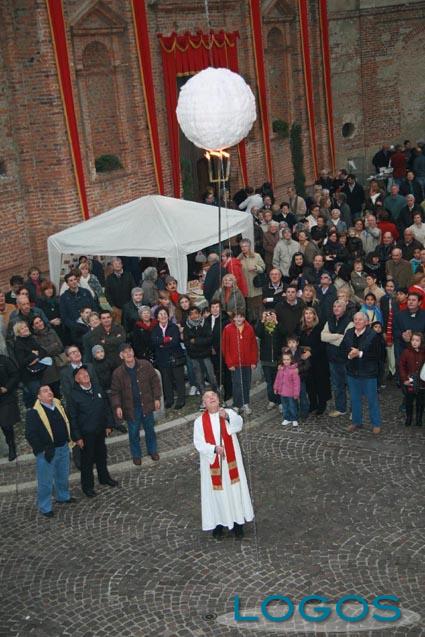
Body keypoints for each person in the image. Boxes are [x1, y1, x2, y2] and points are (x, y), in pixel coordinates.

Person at [193, 390, 254, 539]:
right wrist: (214, 449)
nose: (211, 398)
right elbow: (198, 443)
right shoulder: (199, 422)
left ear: (219, 399)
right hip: (212, 463)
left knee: (234, 489)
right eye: (207, 397)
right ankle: (219, 523)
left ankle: (238, 523)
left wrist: (226, 417)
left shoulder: (227, 413)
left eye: (213, 395)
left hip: (231, 462)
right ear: (204, 404)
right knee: (216, 493)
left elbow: (239, 424)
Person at [25, 385, 75, 517]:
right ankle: (45, 507)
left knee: (63, 475)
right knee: (45, 481)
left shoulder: (59, 406)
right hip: (47, 452)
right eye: (45, 391)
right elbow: (30, 434)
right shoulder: (33, 413)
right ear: (39, 397)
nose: (49, 392)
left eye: (50, 390)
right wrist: (41, 450)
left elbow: (67, 423)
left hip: (63, 447)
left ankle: (63, 496)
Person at [69, 366, 118, 497]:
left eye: (85, 372)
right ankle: (87, 487)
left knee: (102, 456)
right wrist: (77, 437)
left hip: (100, 430)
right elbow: (72, 418)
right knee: (87, 461)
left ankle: (104, 478)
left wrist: (109, 424)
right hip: (86, 434)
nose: (85, 375)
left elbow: (106, 407)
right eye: (81, 374)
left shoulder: (97, 387)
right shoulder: (74, 395)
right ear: (76, 379)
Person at [110, 344, 161, 465]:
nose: (128, 354)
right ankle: (136, 455)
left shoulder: (145, 365)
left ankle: (153, 451)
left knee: (150, 430)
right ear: (121, 356)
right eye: (125, 352)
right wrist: (117, 406)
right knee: (133, 433)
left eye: (130, 351)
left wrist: (157, 398)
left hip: (146, 404)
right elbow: (115, 392)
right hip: (131, 408)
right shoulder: (118, 373)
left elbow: (155, 381)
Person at [341, 312, 382, 434]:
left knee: (372, 400)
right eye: (355, 319)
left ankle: (376, 424)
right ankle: (356, 422)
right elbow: (342, 349)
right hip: (352, 372)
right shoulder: (349, 333)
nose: (358, 321)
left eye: (360, 319)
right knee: (354, 399)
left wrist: (359, 354)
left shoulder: (373, 335)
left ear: (366, 322)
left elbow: (378, 355)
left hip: (368, 373)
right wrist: (349, 355)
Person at [321, 299, 354, 417]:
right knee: (337, 386)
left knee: (351, 386)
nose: (336, 308)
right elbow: (322, 336)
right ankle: (341, 408)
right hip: (332, 359)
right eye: (334, 306)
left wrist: (331, 338)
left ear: (344, 308)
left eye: (339, 306)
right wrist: (336, 336)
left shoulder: (350, 322)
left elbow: (345, 341)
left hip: (345, 360)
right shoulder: (329, 320)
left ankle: (354, 411)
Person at [222, 311, 258, 415]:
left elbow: (253, 346)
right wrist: (229, 363)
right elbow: (225, 348)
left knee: (246, 383)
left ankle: (245, 403)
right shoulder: (228, 329)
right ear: (233, 318)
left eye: (241, 317)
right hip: (235, 363)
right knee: (237, 384)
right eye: (236, 317)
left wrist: (253, 361)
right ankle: (237, 404)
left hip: (247, 362)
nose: (239, 319)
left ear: (244, 318)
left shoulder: (249, 328)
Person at [151, 307, 186, 410]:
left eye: (165, 314)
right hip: (162, 359)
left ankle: (181, 399)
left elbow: (175, 342)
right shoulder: (155, 329)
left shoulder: (173, 327)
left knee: (179, 379)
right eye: (160, 314)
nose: (163, 316)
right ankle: (169, 400)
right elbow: (154, 342)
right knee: (166, 380)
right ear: (157, 317)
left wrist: (162, 343)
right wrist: (166, 340)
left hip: (175, 357)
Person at [299, 307, 331, 415]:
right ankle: (313, 404)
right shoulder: (301, 328)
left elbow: (323, 344)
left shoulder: (320, 327)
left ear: (314, 315)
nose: (308, 316)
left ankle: (322, 404)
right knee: (310, 383)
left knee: (320, 383)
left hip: (319, 359)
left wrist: (311, 352)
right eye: (306, 313)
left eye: (310, 313)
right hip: (306, 362)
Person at [255, 309, 283, 410]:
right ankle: (272, 400)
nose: (269, 317)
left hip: (277, 359)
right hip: (266, 360)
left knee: (278, 381)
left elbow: (283, 333)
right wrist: (262, 321)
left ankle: (280, 401)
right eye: (267, 315)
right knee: (269, 382)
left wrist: (276, 322)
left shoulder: (277, 327)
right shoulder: (263, 328)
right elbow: (258, 333)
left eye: (272, 315)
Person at [59, 270, 96, 339]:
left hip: (91, 324)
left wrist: (93, 321)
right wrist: (75, 326)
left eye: (75, 279)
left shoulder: (86, 292)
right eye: (71, 280)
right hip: (75, 329)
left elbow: (94, 307)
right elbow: (64, 316)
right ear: (67, 283)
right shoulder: (63, 297)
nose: (74, 282)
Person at [399, 332, 425, 426]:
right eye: (413, 340)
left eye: (417, 340)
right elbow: (401, 366)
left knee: (420, 401)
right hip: (410, 381)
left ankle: (419, 419)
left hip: (422, 382)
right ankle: (409, 418)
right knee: (409, 401)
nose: (414, 342)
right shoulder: (406, 352)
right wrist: (404, 378)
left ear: (421, 342)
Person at [238, 239, 266, 322]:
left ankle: (261, 324)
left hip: (256, 287)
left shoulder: (256, 256)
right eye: (242, 246)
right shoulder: (239, 259)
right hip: (245, 288)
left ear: (249, 247)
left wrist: (256, 268)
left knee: (259, 308)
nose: (244, 248)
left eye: (245, 246)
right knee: (250, 311)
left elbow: (263, 267)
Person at [0, 353, 20, 461]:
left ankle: (12, 446)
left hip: (5, 398)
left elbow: (15, 375)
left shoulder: (4, 360)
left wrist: (7, 388)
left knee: (6, 424)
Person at [273, 351, 300, 427]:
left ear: (291, 360)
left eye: (288, 359)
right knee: (285, 406)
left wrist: (296, 393)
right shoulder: (281, 369)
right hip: (282, 392)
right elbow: (277, 379)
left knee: (292, 406)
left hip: (291, 393)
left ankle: (294, 419)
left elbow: (297, 384)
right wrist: (276, 388)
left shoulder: (294, 371)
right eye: (284, 360)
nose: (286, 361)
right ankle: (287, 418)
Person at [105, 257, 135, 324]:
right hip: (116, 308)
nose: (117, 265)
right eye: (115, 264)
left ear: (122, 265)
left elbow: (133, 289)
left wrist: (131, 304)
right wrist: (112, 306)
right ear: (112, 266)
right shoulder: (109, 278)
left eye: (119, 263)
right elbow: (107, 293)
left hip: (129, 306)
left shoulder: (129, 275)